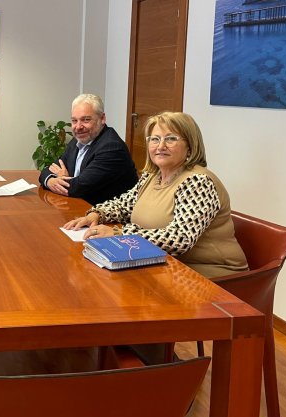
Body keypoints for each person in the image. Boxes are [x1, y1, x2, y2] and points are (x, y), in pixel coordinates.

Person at [64, 111, 247, 279]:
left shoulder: (198, 182)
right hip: (163, 265)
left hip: (208, 277)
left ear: (190, 145)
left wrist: (119, 234)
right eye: (154, 139)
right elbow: (124, 204)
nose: (160, 146)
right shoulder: (153, 176)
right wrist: (97, 214)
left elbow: (179, 238)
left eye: (171, 139)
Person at [39, 94, 137, 205]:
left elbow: (78, 188)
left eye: (86, 120)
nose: (78, 127)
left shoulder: (112, 148)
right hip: (80, 208)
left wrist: (64, 179)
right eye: (74, 121)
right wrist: (51, 180)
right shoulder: (77, 141)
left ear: (102, 119)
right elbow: (48, 170)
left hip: (107, 217)